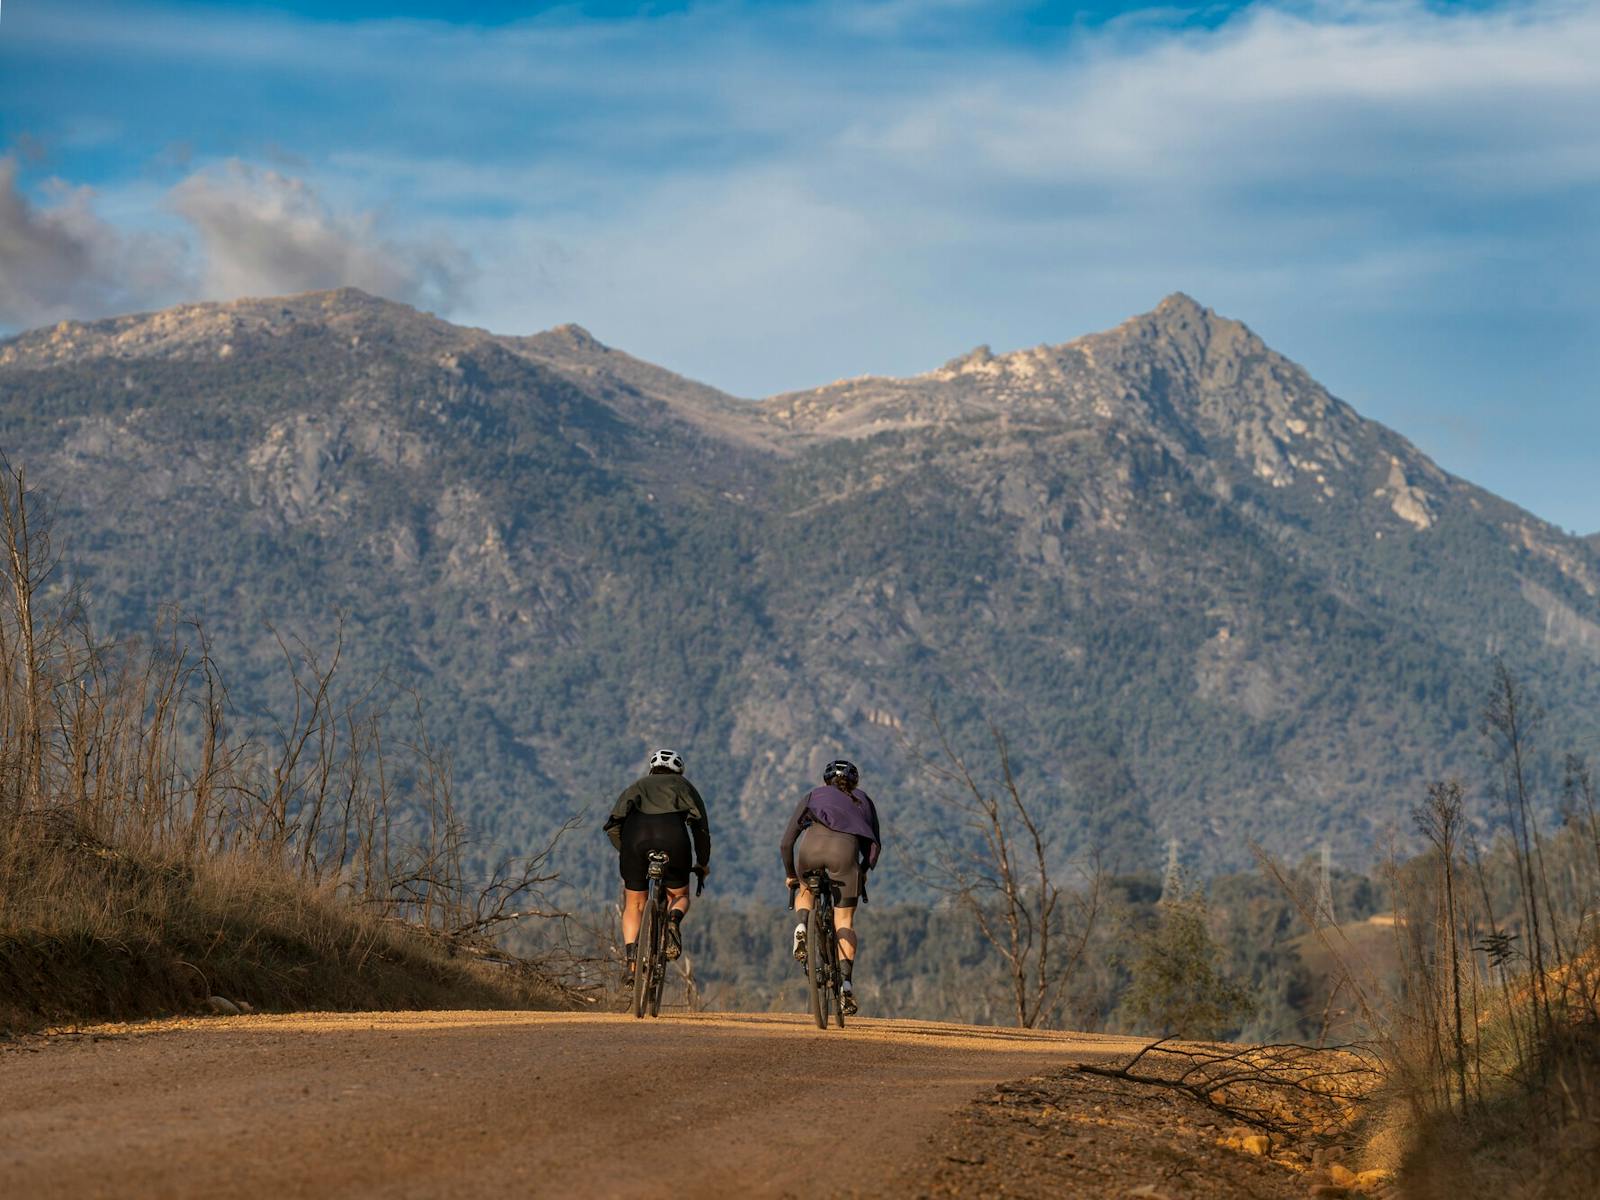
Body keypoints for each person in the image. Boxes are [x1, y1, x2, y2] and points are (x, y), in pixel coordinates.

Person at [780, 758, 882, 1016]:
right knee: (844, 922)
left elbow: (786, 843)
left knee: (805, 888)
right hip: (844, 857)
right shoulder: (863, 800)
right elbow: (874, 846)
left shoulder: (813, 795)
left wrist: (791, 874)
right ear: (855, 782)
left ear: (826, 780)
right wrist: (864, 870)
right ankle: (846, 983)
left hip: (810, 851)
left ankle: (802, 925)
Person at [604, 748, 710, 972]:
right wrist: (702, 862)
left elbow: (613, 825)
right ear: (678, 771)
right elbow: (700, 828)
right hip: (673, 839)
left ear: (652, 769)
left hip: (635, 840)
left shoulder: (636, 786)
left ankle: (632, 964)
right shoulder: (685, 786)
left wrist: (627, 852)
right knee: (680, 895)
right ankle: (673, 919)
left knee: (634, 903)